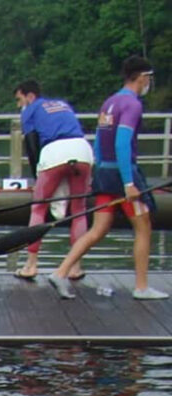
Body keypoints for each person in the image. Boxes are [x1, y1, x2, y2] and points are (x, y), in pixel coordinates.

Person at [48, 56, 167, 301]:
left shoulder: (110, 102)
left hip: (104, 172)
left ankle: (61, 272)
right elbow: (122, 143)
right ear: (142, 77)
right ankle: (142, 287)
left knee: (98, 228)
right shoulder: (132, 105)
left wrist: (97, 174)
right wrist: (128, 184)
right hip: (123, 175)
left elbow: (100, 143)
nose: (149, 83)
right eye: (149, 78)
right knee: (143, 226)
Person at [12, 80, 92, 282]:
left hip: (55, 151)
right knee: (79, 211)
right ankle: (75, 266)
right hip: (82, 150)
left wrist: (37, 177)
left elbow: (31, 144)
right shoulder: (62, 104)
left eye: (19, 99)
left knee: (38, 208)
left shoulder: (29, 110)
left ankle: (31, 264)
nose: (18, 104)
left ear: (29, 96)